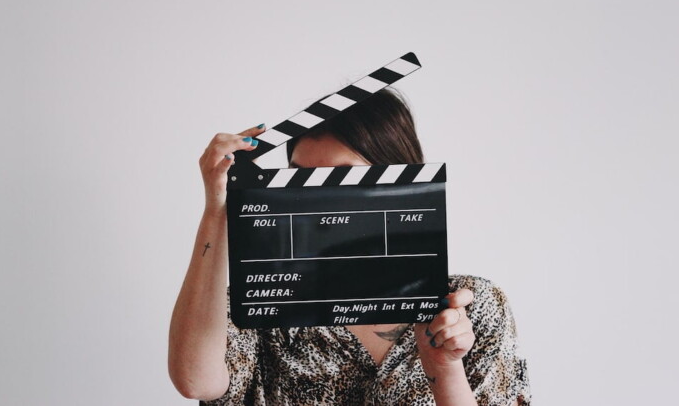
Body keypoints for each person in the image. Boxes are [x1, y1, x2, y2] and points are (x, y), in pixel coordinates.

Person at [169, 88, 532, 405]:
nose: (315, 201)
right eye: (299, 178)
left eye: (340, 177)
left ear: (398, 181)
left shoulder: (471, 307)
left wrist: (445, 369)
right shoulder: (264, 301)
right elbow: (195, 380)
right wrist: (219, 208)